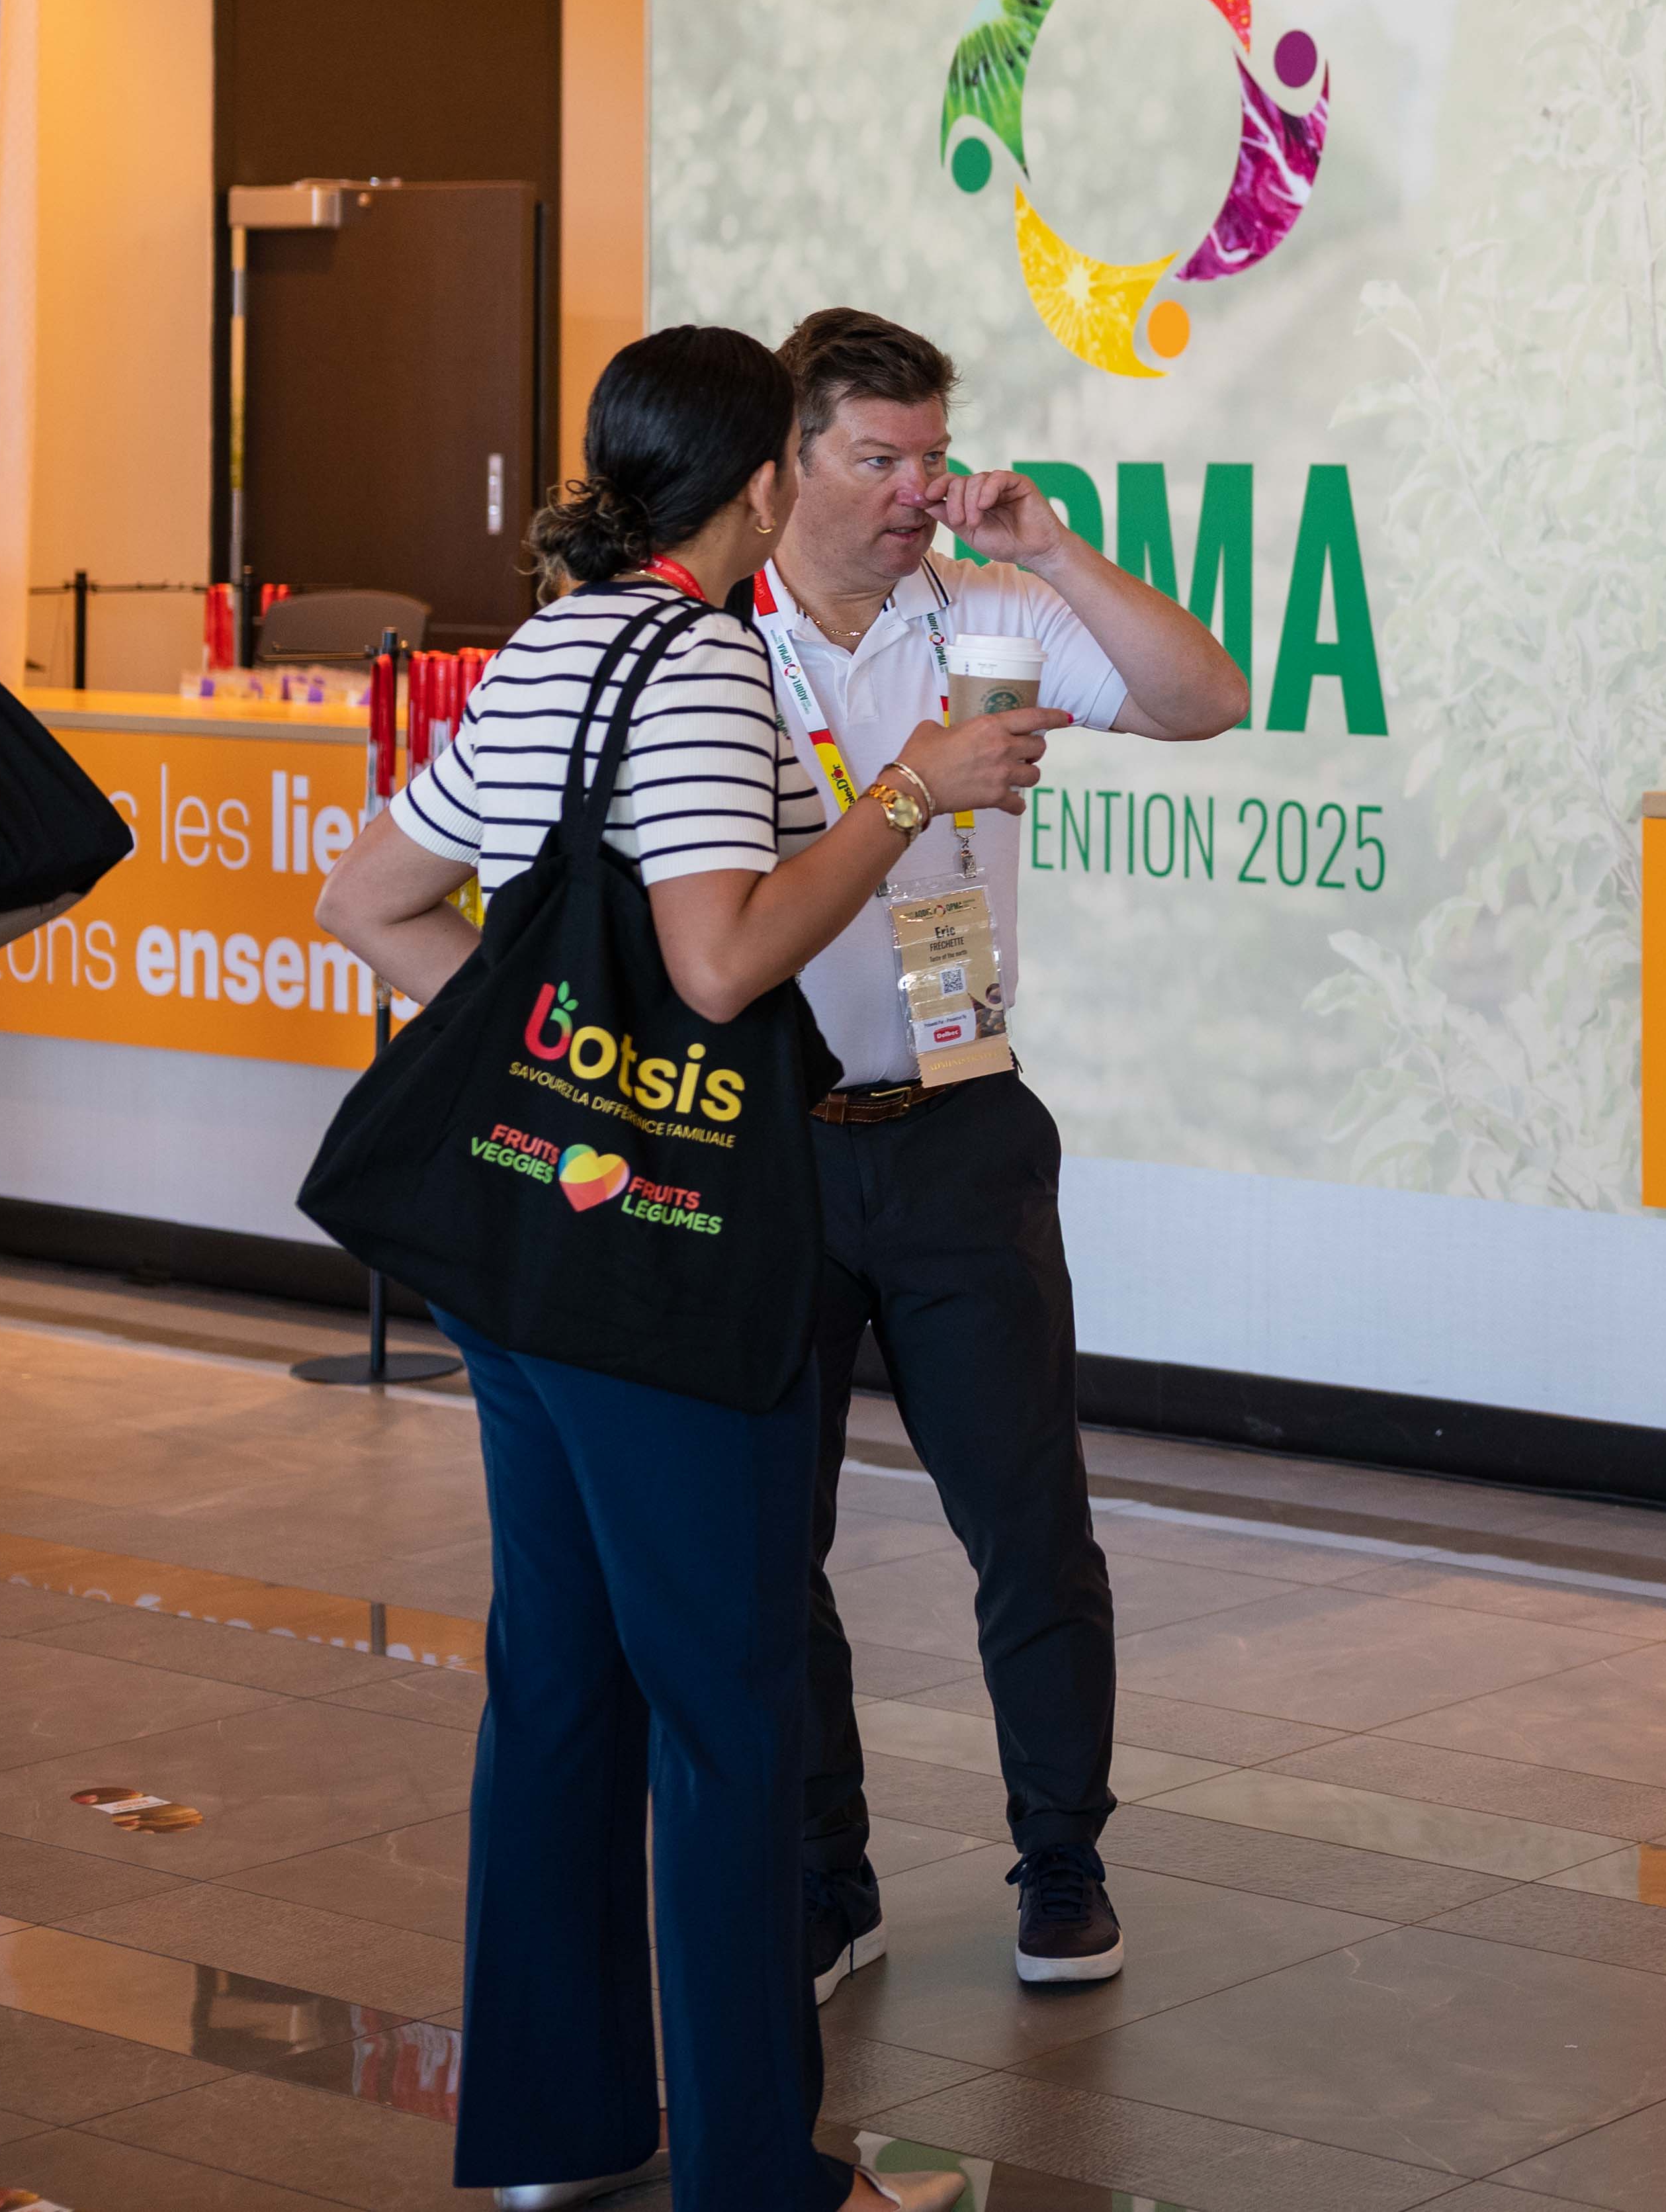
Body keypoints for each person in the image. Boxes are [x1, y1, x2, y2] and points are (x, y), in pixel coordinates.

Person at [320, 326, 1051, 2212]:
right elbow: (722, 963)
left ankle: (552, 2132)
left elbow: (369, 899)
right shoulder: (710, 661)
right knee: (729, 1708)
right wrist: (907, 792)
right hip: (667, 1273)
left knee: (558, 1682)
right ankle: (753, 2174)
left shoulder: (555, 641)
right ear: (760, 480)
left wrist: (559, 1082)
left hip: (526, 1251)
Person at [761, 308, 1250, 2003]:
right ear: (787, 465)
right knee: (770, 1538)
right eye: (874, 458)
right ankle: (827, 1880)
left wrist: (1054, 548)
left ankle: (1063, 1864)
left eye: (931, 455)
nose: (915, 490)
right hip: (767, 1143)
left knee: (1031, 1525)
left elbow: (1208, 699)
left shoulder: (985, 611)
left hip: (960, 1119)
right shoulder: (716, 643)